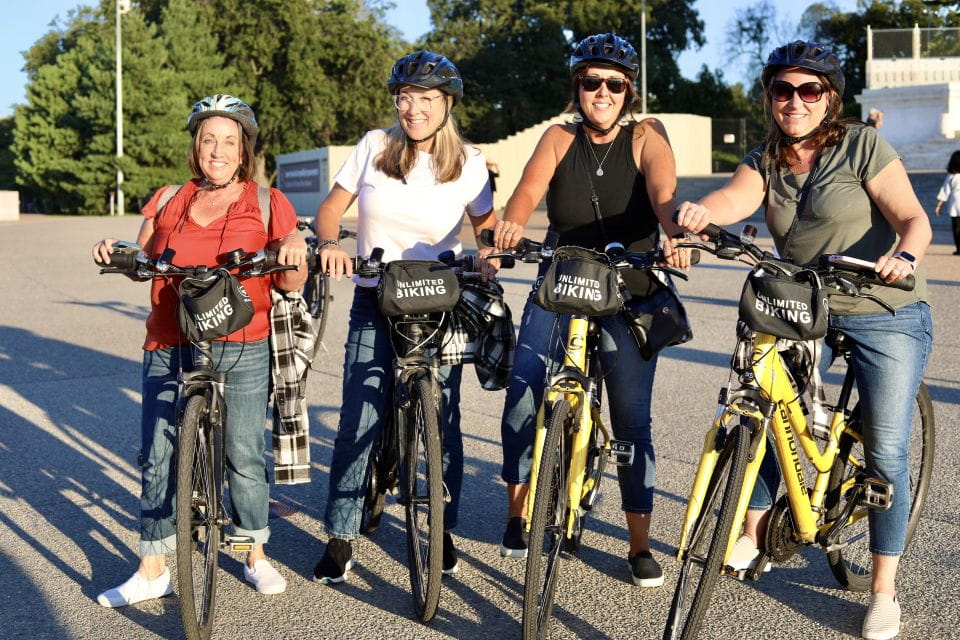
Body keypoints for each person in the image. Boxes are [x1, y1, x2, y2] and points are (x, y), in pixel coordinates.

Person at [675, 41, 932, 640]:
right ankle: (755, 529)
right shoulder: (766, 156)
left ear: (830, 98)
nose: (795, 101)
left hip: (881, 304)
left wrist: (905, 255)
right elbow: (735, 197)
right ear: (769, 97)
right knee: (762, 400)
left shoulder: (861, 145)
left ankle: (883, 589)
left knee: (886, 448)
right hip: (799, 304)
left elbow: (914, 219)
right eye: (783, 90)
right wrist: (698, 213)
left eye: (809, 90)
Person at [491, 32, 691, 587]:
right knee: (524, 391)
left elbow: (664, 196)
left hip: (630, 286)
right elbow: (528, 191)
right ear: (576, 86)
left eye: (613, 83)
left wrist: (675, 234)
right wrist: (512, 222)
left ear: (629, 91)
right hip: (565, 277)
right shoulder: (558, 136)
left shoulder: (647, 136)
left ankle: (638, 543)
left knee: (631, 418)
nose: (601, 92)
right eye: (590, 81)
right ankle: (517, 512)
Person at [91, 95, 308, 606]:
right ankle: (152, 568)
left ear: (244, 150)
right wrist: (115, 251)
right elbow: (141, 255)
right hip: (169, 339)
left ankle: (253, 553)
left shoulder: (268, 202)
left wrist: (294, 249)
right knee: (159, 455)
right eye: (208, 139)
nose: (218, 149)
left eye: (229, 141)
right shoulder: (169, 198)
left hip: (241, 342)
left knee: (243, 454)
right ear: (195, 146)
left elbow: (292, 280)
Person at [311, 50, 496, 584]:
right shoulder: (374, 146)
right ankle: (341, 535)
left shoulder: (470, 160)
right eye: (406, 98)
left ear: (447, 104)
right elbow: (330, 210)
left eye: (427, 99)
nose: (414, 109)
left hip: (440, 301)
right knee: (360, 417)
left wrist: (488, 257)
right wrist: (329, 244)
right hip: (375, 296)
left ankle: (439, 527)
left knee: (444, 417)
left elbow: (485, 227)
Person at [934, 149, 960, 254]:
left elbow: (945, 191)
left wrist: (938, 205)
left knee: (957, 228)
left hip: (955, 205)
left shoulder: (951, 176)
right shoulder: (952, 176)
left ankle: (959, 249)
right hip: (955, 205)